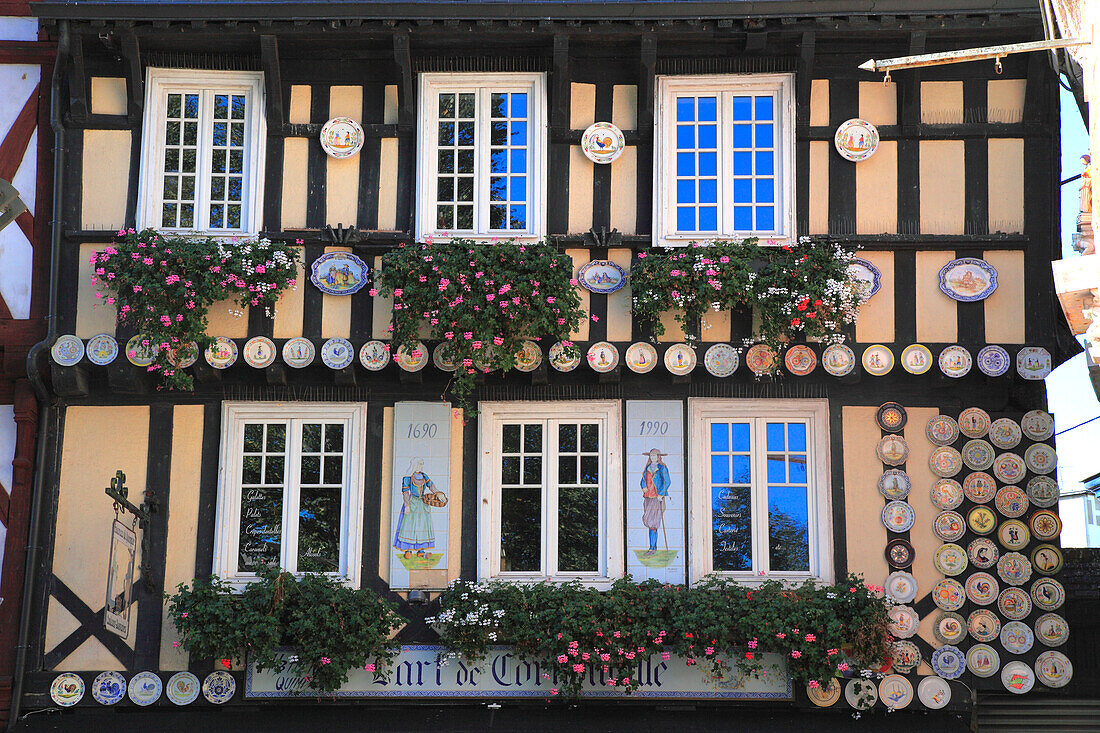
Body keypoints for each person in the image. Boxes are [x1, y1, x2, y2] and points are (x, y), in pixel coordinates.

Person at [393, 458, 435, 556]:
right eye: (419, 464)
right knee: (409, 526)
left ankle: (421, 550)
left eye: (422, 464)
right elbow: (405, 493)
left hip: (422, 503)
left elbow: (432, 486)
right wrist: (407, 505)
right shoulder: (408, 478)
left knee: (422, 526)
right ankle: (408, 550)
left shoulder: (424, 476)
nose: (421, 466)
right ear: (415, 465)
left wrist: (438, 493)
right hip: (412, 503)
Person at [640, 448, 670, 555]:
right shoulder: (647, 468)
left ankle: (653, 547)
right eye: (651, 456)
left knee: (653, 522)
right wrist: (644, 487)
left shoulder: (662, 468)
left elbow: (667, 482)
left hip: (657, 498)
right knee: (648, 520)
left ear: (658, 457)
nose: (653, 458)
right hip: (648, 498)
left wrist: (661, 494)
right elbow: (643, 480)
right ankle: (652, 547)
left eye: (655, 456)